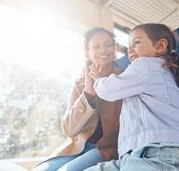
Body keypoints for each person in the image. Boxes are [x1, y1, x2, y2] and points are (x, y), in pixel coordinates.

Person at [85, 23, 179, 171]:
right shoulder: (160, 72)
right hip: (138, 156)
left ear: (160, 46)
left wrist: (99, 79)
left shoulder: (146, 65)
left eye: (136, 43)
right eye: (128, 46)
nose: (130, 50)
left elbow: (108, 90)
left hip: (161, 155)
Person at [32, 27, 122, 171]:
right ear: (87, 52)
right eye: (96, 46)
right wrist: (88, 93)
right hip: (78, 146)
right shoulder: (80, 83)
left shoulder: (124, 79)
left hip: (106, 149)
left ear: (114, 49)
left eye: (108, 44)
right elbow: (69, 130)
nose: (103, 50)